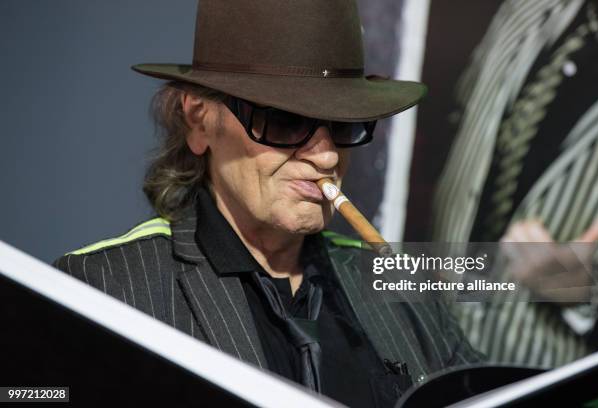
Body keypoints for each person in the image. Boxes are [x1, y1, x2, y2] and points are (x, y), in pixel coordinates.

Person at [52, 1, 480, 406]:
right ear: (199, 120)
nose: (327, 156)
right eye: (285, 119)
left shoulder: (406, 293)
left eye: (343, 122)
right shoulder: (105, 288)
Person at [429, 0, 598, 368]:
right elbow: (458, 128)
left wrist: (587, 291)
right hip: (431, 335)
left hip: (536, 370)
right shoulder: (527, 6)